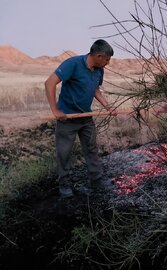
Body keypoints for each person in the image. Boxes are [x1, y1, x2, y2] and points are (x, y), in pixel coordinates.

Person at [44, 39, 117, 198]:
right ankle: (64, 185)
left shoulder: (99, 70)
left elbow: (95, 89)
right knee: (64, 153)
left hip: (86, 117)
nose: (108, 62)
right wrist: (55, 110)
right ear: (98, 56)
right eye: (107, 59)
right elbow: (49, 83)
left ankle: (96, 181)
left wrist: (108, 107)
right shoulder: (73, 64)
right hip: (67, 119)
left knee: (91, 149)